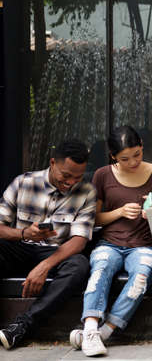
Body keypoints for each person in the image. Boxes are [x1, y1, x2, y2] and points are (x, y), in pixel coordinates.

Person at [69, 126, 152, 356]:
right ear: (113, 155)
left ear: (142, 145)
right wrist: (121, 211)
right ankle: (91, 328)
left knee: (142, 276)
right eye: (125, 158)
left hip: (143, 245)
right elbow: (93, 219)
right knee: (100, 269)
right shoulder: (102, 175)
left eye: (137, 154)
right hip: (110, 243)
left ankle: (103, 333)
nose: (133, 162)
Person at [0, 139, 96, 350]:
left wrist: (45, 266)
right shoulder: (23, 182)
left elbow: (79, 240)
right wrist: (25, 233)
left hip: (56, 254)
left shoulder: (87, 191)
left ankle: (22, 326)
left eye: (77, 177)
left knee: (79, 265)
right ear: (52, 163)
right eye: (66, 175)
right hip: (21, 248)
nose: (71, 182)